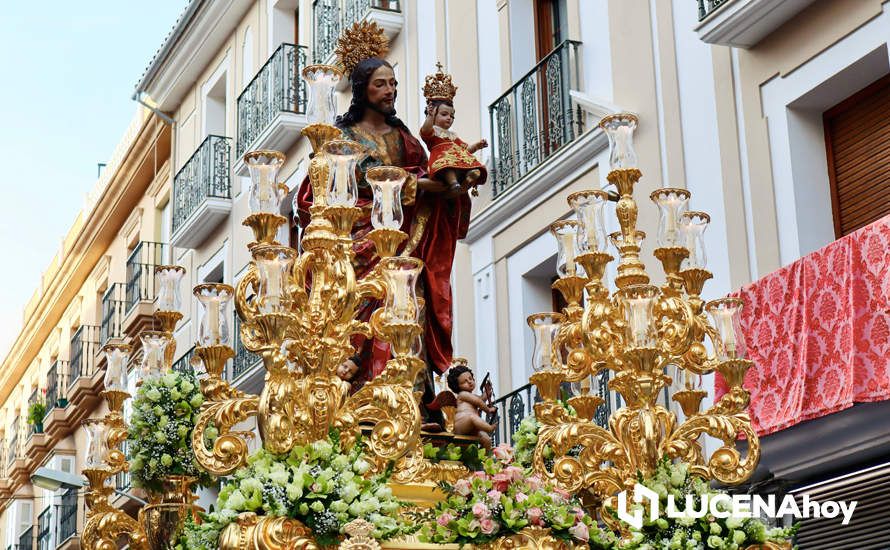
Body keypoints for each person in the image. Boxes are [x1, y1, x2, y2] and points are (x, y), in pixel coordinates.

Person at [296, 57, 470, 397]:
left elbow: (427, 169)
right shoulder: (342, 135)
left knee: (408, 305)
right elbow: (342, 179)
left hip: (406, 239)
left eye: (393, 83)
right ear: (363, 89)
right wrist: (415, 185)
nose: (390, 90)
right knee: (359, 308)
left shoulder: (404, 136)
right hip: (358, 235)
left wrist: (450, 176)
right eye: (381, 84)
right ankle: (360, 392)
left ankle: (410, 395)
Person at [419, 101, 488, 196]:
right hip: (442, 160)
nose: (449, 118)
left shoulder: (452, 135)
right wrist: (429, 116)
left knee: (465, 163)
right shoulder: (433, 131)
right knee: (447, 166)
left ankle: (468, 178)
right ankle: (453, 183)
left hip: (457, 162)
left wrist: (476, 146)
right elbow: (425, 131)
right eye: (444, 114)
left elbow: (465, 150)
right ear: (433, 115)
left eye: (452, 116)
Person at [447, 364, 497, 450]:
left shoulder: (471, 396)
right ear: (457, 386)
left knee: (486, 439)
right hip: (462, 424)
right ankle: (489, 428)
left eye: (470, 378)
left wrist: (487, 392)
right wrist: (488, 410)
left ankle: (484, 457)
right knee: (472, 416)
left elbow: (481, 399)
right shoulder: (462, 395)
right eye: (464, 382)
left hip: (472, 427)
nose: (469, 382)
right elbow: (478, 402)